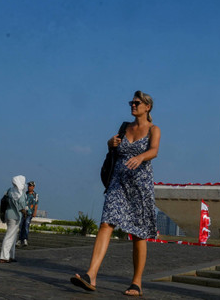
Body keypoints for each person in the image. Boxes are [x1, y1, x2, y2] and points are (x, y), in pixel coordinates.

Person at [71, 91, 161, 297]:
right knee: (105, 223)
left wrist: (141, 157)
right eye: (132, 102)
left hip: (140, 186)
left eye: (137, 103)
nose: (133, 105)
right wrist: (110, 145)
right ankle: (91, 275)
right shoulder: (124, 127)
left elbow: (154, 150)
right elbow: (114, 151)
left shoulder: (154, 129)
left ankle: (136, 282)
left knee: (138, 233)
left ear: (147, 107)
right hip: (118, 183)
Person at [0, 175, 27, 263]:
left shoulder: (9, 190)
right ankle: (4, 257)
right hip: (15, 216)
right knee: (9, 236)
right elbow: (22, 206)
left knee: (13, 236)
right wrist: (25, 213)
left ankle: (11, 255)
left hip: (8, 214)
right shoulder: (21, 193)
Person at [17, 181, 39, 247]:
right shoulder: (25, 194)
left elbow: (36, 204)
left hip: (29, 213)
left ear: (33, 187)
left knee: (26, 225)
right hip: (23, 212)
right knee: (21, 226)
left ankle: (25, 239)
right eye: (29, 186)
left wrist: (35, 212)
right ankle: (19, 239)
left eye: (31, 186)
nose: (29, 187)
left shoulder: (35, 195)